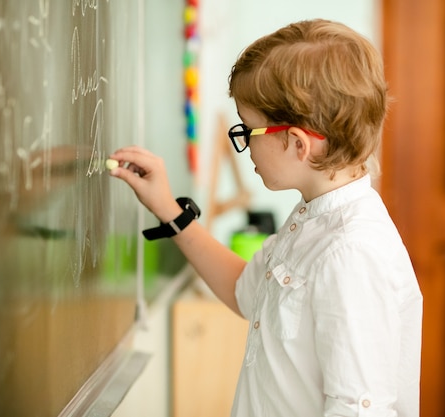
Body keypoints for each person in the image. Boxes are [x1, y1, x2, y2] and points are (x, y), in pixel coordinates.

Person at [109, 19, 422, 417]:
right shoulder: (310, 219)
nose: (244, 144)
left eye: (247, 130)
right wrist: (169, 209)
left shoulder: (351, 254)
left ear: (296, 143)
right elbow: (244, 288)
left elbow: (360, 410)